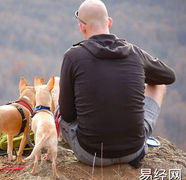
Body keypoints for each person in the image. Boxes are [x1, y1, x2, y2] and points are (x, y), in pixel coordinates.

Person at [56, 0, 176, 167]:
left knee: (58, 98)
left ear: (81, 27)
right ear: (110, 22)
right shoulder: (134, 52)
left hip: (91, 154)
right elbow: (168, 77)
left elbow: (67, 115)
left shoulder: (73, 56)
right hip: (134, 150)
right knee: (158, 84)